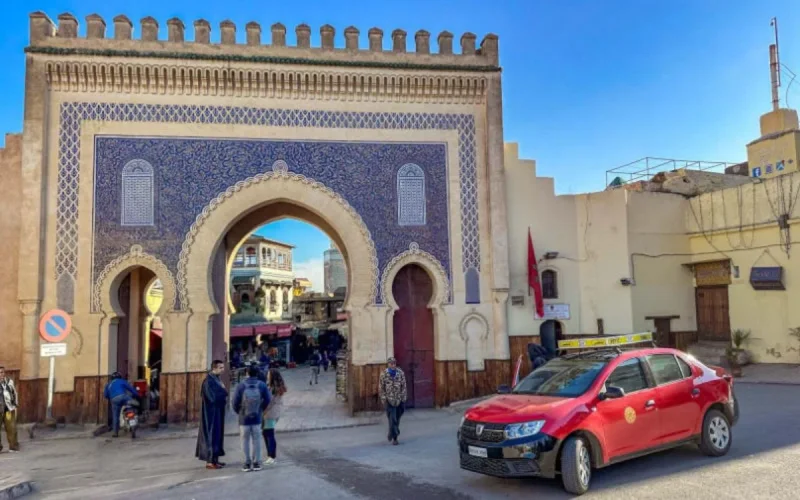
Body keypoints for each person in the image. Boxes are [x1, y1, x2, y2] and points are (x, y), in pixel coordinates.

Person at [232, 365, 271, 472]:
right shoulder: (262, 385)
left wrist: (240, 412)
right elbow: (268, 400)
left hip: (244, 419)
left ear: (246, 373)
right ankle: (257, 463)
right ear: (257, 373)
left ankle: (247, 463)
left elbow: (234, 402)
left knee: (245, 440)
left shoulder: (240, 386)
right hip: (257, 417)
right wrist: (260, 409)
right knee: (257, 440)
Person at [196, 360, 229, 469]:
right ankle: (210, 461)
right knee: (211, 435)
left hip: (217, 412)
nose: (222, 370)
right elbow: (213, 397)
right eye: (220, 367)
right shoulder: (209, 381)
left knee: (217, 435)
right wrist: (224, 391)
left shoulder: (216, 379)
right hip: (210, 414)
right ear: (214, 368)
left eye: (223, 367)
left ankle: (215, 459)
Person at [379, 357, 407, 445]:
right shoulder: (384, 374)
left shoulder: (400, 373)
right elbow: (381, 387)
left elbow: (404, 386)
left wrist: (403, 397)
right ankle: (395, 438)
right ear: (388, 364)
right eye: (391, 364)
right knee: (392, 419)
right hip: (389, 400)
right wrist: (383, 398)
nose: (393, 365)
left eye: (394, 363)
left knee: (397, 419)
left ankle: (391, 433)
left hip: (399, 399)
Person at [102, 372, 139, 438]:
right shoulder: (122, 381)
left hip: (114, 400)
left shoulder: (108, 384)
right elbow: (130, 388)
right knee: (131, 404)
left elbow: (105, 395)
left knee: (115, 416)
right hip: (123, 396)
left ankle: (115, 433)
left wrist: (111, 398)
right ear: (119, 377)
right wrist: (136, 394)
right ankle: (132, 414)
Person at [262, 368, 286, 465]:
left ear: (272, 376)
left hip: (270, 414)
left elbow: (270, 402)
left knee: (269, 434)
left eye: (268, 374)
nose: (267, 375)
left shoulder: (273, 388)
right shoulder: (275, 386)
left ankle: (272, 456)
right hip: (273, 413)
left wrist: (263, 411)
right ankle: (270, 456)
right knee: (266, 433)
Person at [0, 366, 20, 452]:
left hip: (8, 408)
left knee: (12, 427)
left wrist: (15, 404)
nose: (1, 374)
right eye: (0, 372)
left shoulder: (9, 382)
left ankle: (13, 446)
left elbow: (14, 392)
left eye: (2, 372)